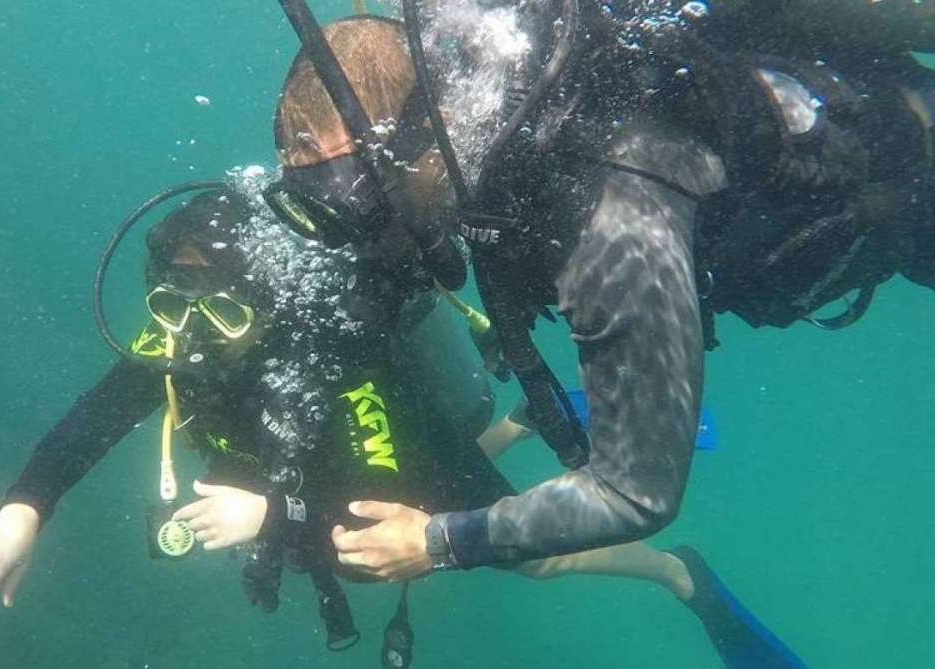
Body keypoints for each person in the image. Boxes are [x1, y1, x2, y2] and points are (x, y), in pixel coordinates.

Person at [258, 1, 932, 656]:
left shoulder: (609, 214)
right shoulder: (472, 92)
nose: (368, 236)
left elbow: (636, 492)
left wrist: (438, 539)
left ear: (419, 139)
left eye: (364, 204)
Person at [0, 186, 803, 667]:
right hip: (335, 466)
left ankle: (673, 570)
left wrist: (276, 517)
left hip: (399, 457)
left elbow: (386, 518)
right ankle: (516, 420)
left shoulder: (336, 355)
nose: (192, 329)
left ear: (265, 297)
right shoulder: (181, 332)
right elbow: (95, 416)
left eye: (218, 305)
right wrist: (22, 508)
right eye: (173, 302)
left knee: (533, 561)